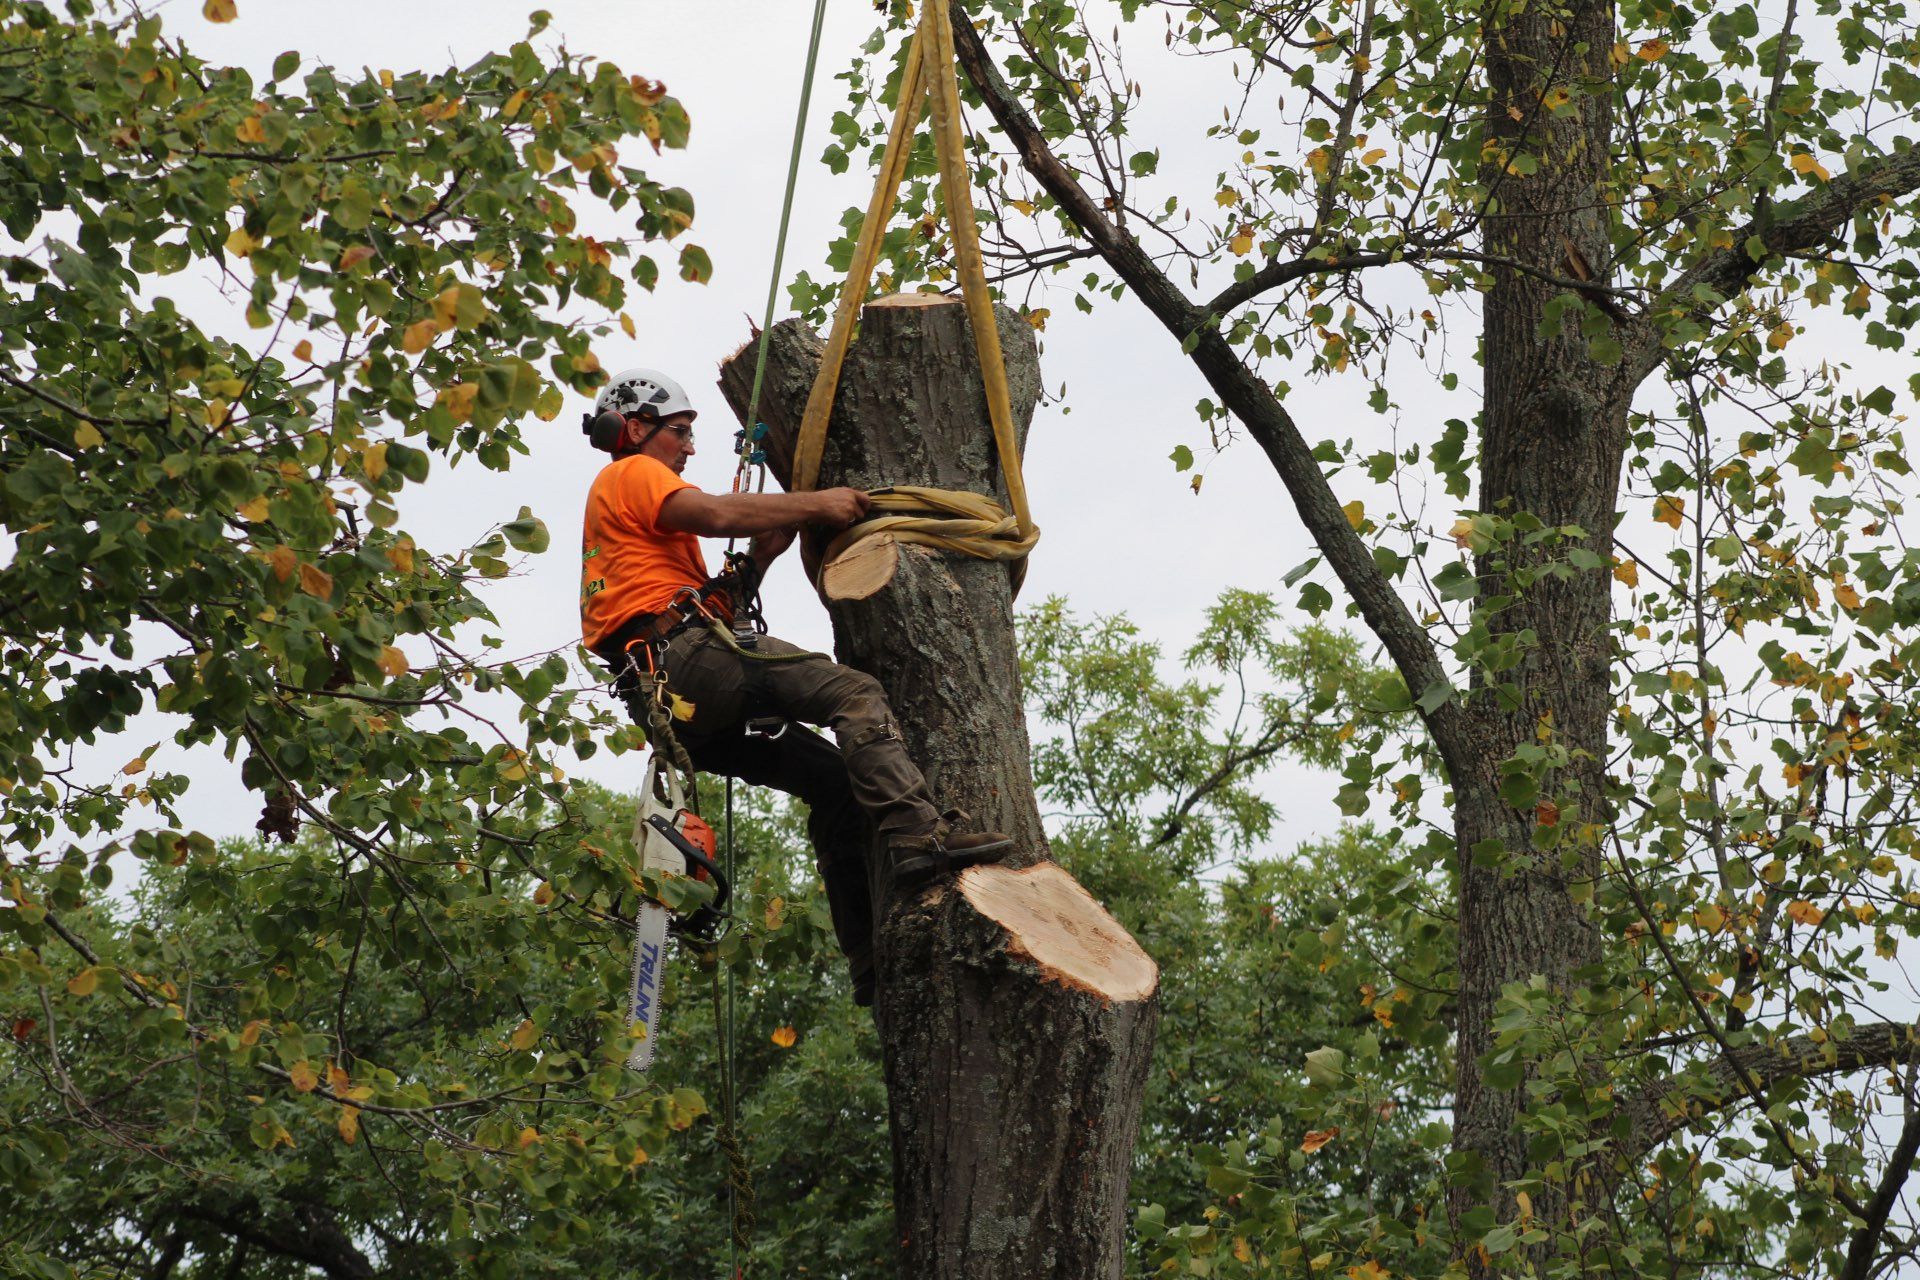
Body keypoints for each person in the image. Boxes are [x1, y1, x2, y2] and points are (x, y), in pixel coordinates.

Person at [579, 367, 1013, 1005]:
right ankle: (921, 834)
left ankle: (868, 958)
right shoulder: (633, 472)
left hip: (672, 699)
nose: (689, 447)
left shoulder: (632, 529)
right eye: (679, 432)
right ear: (635, 427)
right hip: (686, 661)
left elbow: (704, 587)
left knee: (834, 783)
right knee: (854, 694)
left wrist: (762, 552)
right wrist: (818, 503)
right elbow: (714, 512)